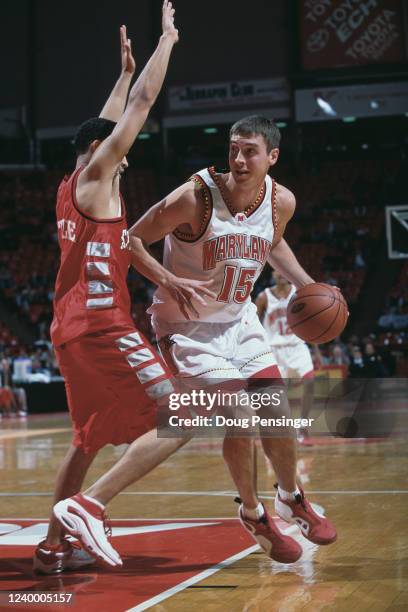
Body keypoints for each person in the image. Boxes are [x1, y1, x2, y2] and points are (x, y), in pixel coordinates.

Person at [53, 117, 337, 567]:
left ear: (273, 157)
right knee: (237, 415)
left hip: (239, 321)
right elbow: (130, 240)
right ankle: (253, 513)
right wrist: (169, 279)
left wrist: (306, 284)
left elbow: (272, 243)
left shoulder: (282, 201)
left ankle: (290, 497)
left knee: (276, 408)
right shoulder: (195, 197)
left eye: (250, 151)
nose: (240, 159)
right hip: (186, 327)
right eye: (234, 149)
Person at [35, 2, 211, 574]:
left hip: (69, 331)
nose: (126, 156)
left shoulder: (71, 182)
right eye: (118, 151)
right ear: (101, 153)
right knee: (185, 416)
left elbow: (110, 117)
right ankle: (90, 506)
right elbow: (137, 110)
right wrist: (168, 42)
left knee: (85, 441)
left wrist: (123, 71)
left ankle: (52, 545)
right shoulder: (97, 175)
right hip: (102, 325)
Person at [255, 272, 316, 443]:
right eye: (276, 270)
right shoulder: (263, 297)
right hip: (274, 349)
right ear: (272, 273)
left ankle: (303, 426)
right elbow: (251, 322)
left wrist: (316, 349)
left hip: (297, 346)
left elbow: (311, 320)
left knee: (310, 382)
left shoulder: (298, 294)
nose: (281, 273)